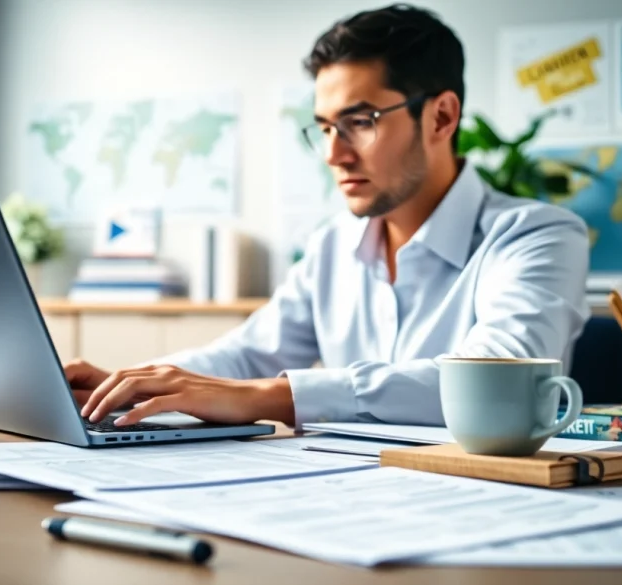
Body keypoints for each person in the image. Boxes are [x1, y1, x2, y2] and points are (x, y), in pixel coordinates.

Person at [66, 3, 590, 429]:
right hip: (344, 499)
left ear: (442, 116)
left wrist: (273, 397)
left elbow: (496, 381)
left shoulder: (536, 235)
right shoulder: (335, 244)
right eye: (324, 127)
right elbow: (247, 356)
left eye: (359, 121)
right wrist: (133, 388)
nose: (333, 155)